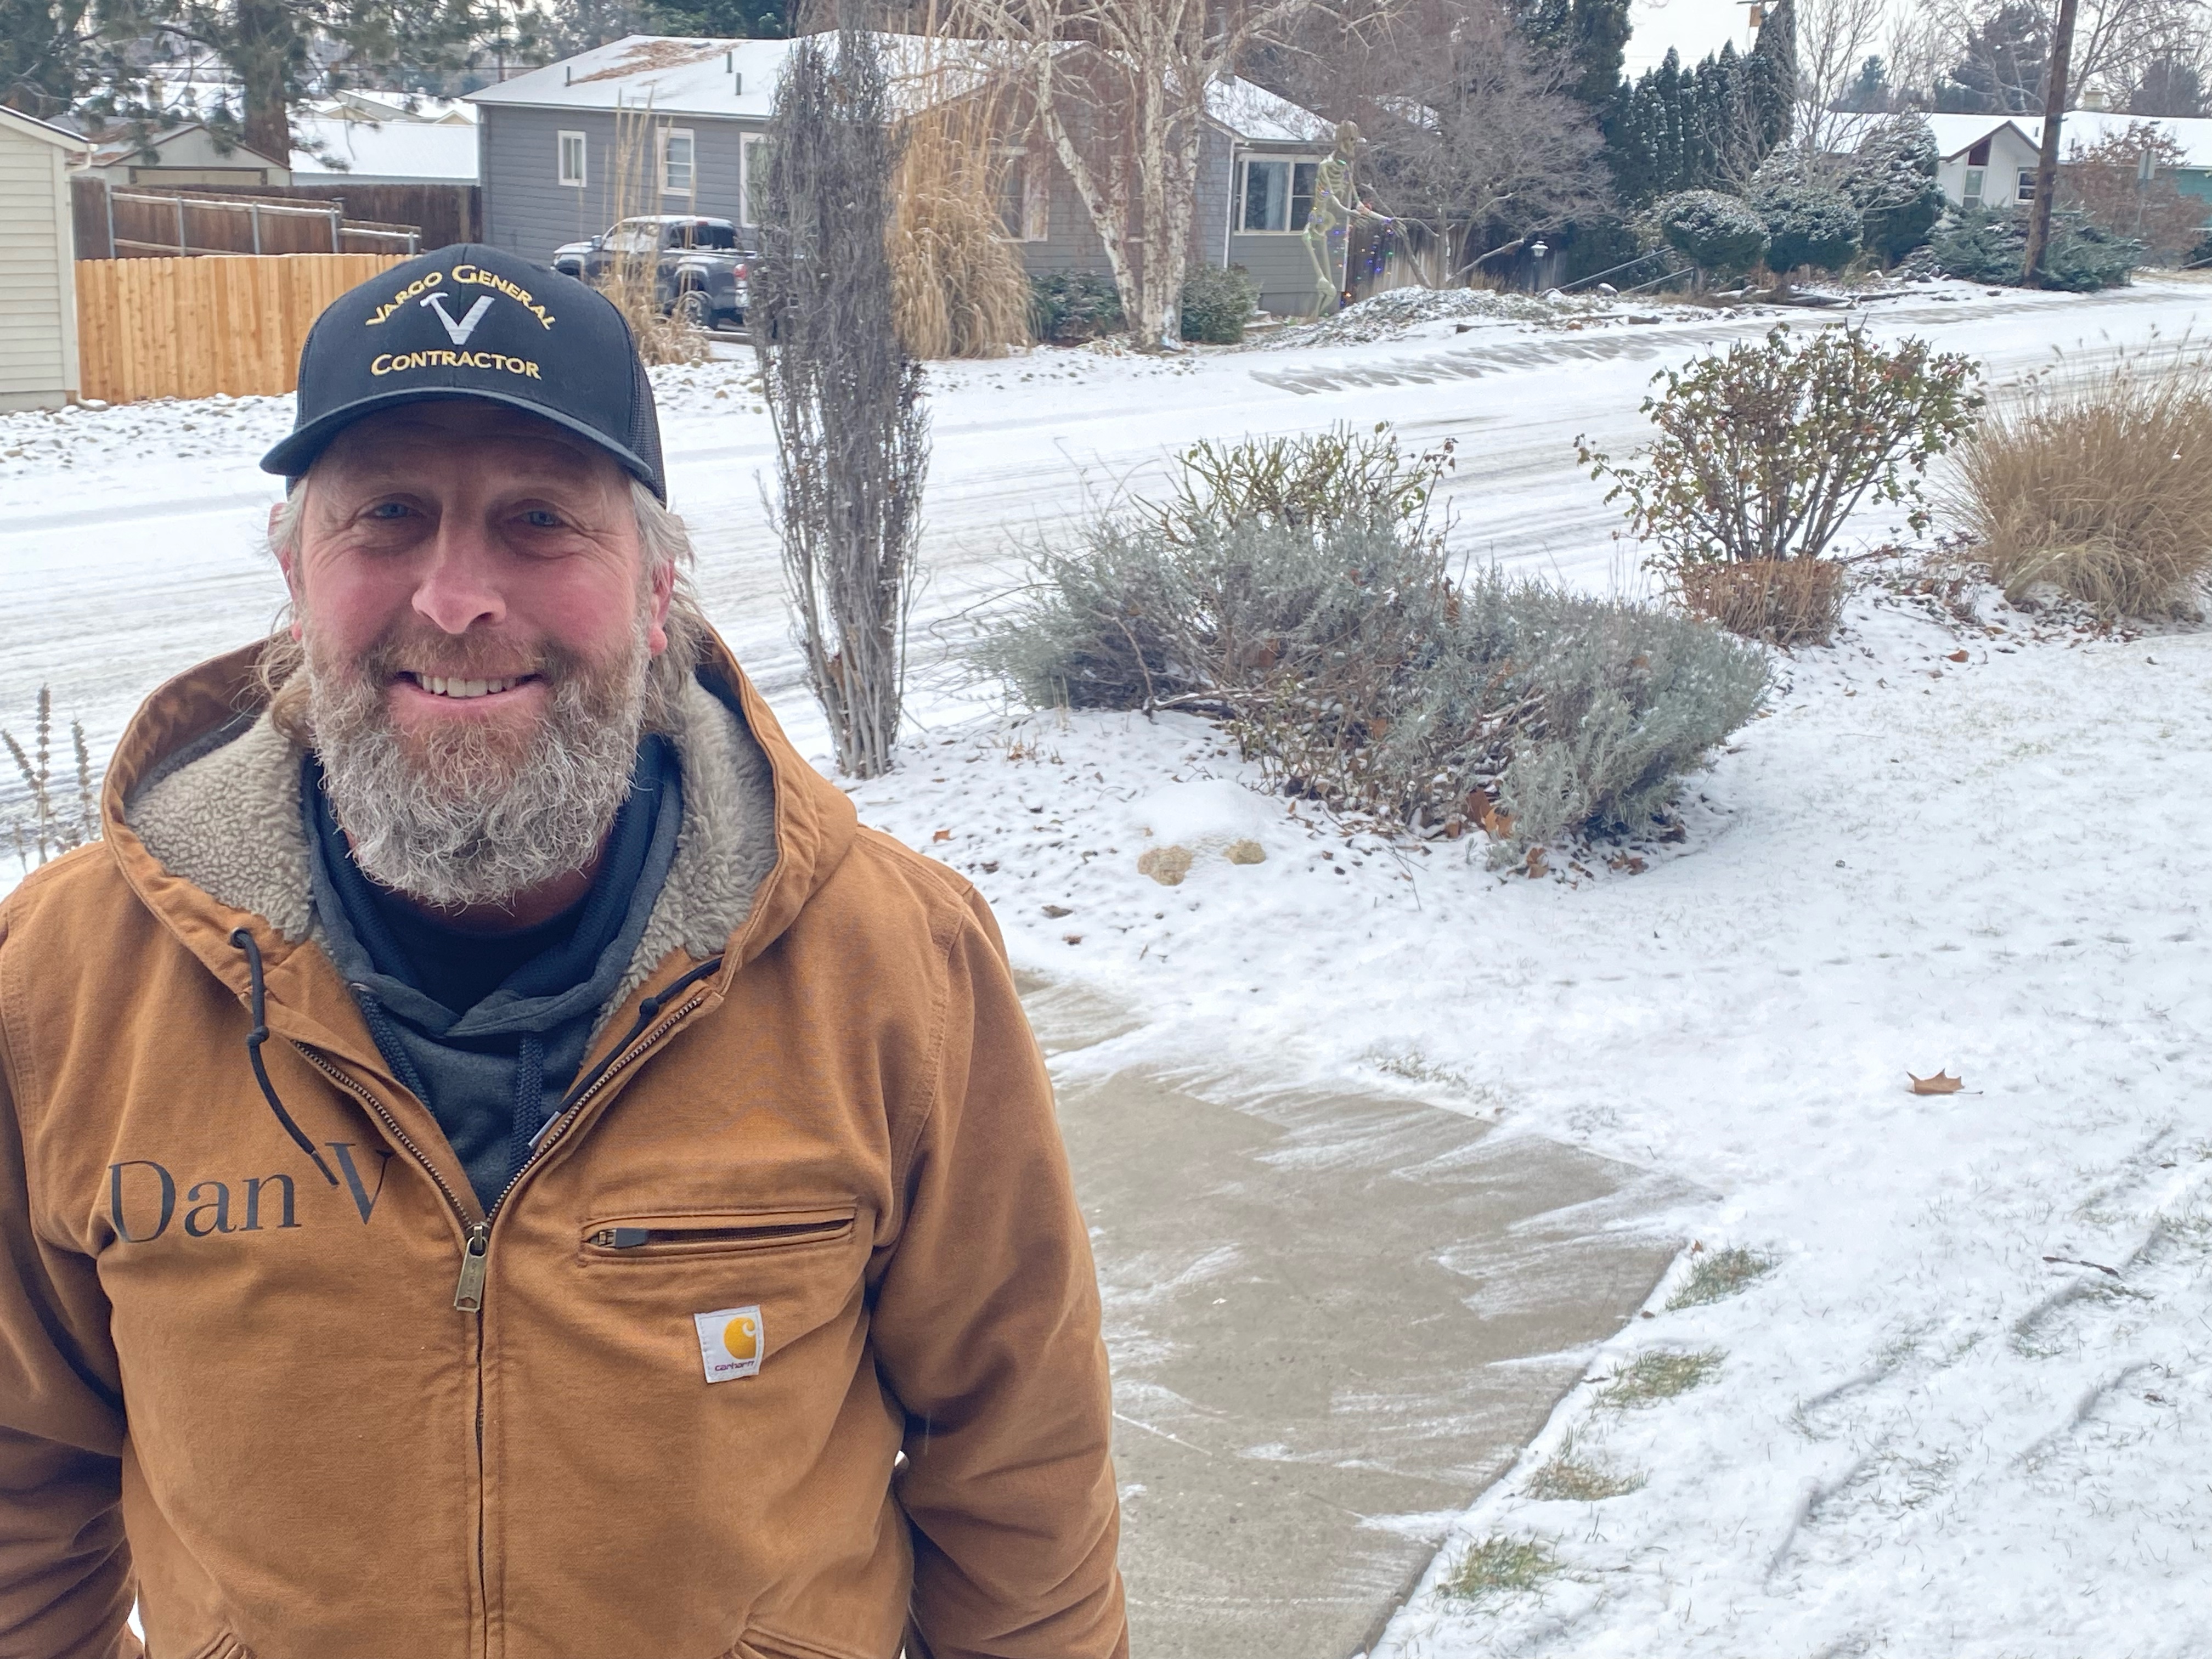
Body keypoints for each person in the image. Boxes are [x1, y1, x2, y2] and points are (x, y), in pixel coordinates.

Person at [0, 245, 1126, 1659]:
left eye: (540, 519)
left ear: (659, 595)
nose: (459, 597)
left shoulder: (895, 966)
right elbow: (19, 1488)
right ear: (297, 580)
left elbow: (1021, 1479)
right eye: (389, 516)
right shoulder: (64, 980)